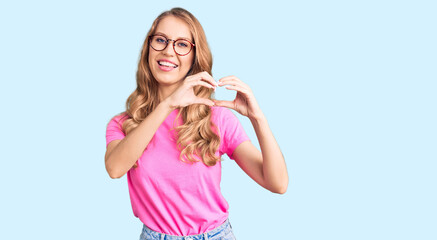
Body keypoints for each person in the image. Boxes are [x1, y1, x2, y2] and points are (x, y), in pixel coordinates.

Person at [105, 7, 288, 240]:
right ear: (148, 50)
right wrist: (167, 104)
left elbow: (278, 183)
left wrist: (257, 118)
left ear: (194, 57)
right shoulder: (123, 124)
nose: (169, 51)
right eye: (160, 40)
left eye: (181, 44)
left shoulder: (216, 118)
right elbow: (114, 168)